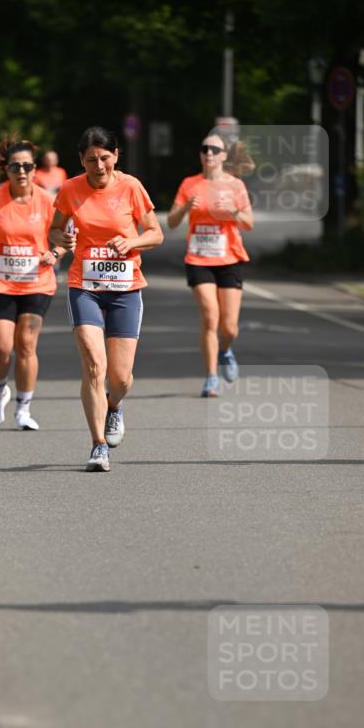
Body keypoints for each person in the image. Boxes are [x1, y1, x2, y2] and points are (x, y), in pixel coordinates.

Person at [50, 126, 164, 472]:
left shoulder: (131, 187)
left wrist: (132, 243)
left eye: (104, 158)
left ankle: (115, 406)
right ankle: (98, 445)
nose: (98, 166)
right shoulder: (70, 189)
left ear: (116, 156)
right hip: (84, 285)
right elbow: (55, 227)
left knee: (121, 377)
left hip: (125, 290)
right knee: (94, 365)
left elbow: (155, 233)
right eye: (90, 160)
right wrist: (62, 240)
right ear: (80, 160)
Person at [0, 139, 64, 430]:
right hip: (0, 283)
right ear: (6, 170)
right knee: (0, 347)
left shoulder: (48, 200)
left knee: (26, 343)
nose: (21, 171)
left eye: (27, 166)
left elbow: (66, 237)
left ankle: (24, 407)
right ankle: (0, 390)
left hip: (37, 282)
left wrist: (56, 253)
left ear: (35, 169)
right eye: (15, 166)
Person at [168, 132, 254, 397]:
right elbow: (171, 222)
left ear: (224, 155)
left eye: (215, 150)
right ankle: (211, 376)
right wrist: (185, 210)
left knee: (229, 327)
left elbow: (249, 223)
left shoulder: (236, 185)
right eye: (205, 149)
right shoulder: (189, 184)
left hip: (229, 259)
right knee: (209, 316)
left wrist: (233, 211)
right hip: (198, 258)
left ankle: (225, 350)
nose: (209, 154)